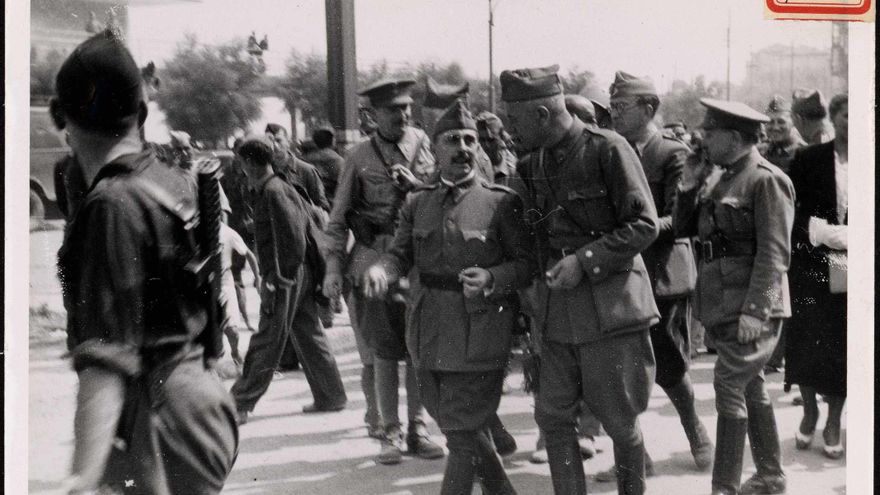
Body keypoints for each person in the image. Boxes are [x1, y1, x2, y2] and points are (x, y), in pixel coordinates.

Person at [53, 30, 238, 494]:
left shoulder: (109, 205)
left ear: (63, 120)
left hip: (159, 418)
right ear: (141, 113)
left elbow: (106, 362)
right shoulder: (173, 179)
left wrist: (82, 477)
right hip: (200, 403)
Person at [502, 64, 660, 495]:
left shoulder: (607, 149)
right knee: (553, 419)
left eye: (514, 120)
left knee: (620, 421)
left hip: (611, 313)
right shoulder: (530, 164)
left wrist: (584, 260)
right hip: (556, 317)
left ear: (540, 115)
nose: (508, 129)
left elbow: (645, 225)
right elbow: (533, 236)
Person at [364, 100, 534, 495]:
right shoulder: (417, 202)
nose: (463, 147)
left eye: (470, 140)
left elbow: (526, 265)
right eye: (453, 139)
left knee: (459, 437)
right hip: (427, 332)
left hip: (480, 332)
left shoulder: (500, 202)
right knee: (459, 427)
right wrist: (381, 269)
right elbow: (400, 254)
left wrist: (493, 275)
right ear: (434, 149)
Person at [675, 98, 794, 495]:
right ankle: (771, 476)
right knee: (751, 386)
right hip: (722, 301)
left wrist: (757, 311)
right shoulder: (719, 176)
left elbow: (775, 253)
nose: (703, 138)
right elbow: (682, 229)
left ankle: (723, 487)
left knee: (729, 385)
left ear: (735, 137)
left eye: (711, 132)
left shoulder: (766, 179)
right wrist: (689, 185)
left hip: (752, 306)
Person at [323, 78, 444, 465]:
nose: (402, 115)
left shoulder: (424, 144)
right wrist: (332, 268)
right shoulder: (358, 156)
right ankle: (388, 432)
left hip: (417, 260)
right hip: (374, 258)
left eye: (406, 108)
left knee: (419, 350)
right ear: (372, 115)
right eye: (393, 110)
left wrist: (419, 185)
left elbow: (444, 192)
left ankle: (418, 428)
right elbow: (338, 217)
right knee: (385, 352)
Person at [604, 71, 712, 477]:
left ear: (648, 108)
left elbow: (679, 219)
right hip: (620, 272)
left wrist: (632, 234)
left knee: (669, 361)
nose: (613, 113)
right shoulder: (611, 149)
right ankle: (635, 457)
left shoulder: (672, 153)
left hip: (662, 272)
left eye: (621, 107)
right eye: (611, 106)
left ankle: (696, 431)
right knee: (621, 369)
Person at [230, 134, 347, 424]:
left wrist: (277, 278)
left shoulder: (273, 192)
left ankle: (240, 403)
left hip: (286, 277)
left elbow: (293, 238)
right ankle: (331, 395)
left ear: (249, 162)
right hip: (298, 275)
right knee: (308, 332)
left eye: (241, 163)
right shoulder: (279, 186)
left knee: (268, 337)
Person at [785, 93, 848, 460]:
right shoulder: (810, 158)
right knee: (807, 335)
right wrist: (821, 232)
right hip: (812, 261)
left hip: (850, 263)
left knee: (841, 340)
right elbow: (793, 213)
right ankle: (809, 412)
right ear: (833, 118)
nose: (850, 122)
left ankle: (833, 419)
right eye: (844, 114)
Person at [759, 96, 807, 176]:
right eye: (770, 122)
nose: (775, 127)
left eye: (781, 122)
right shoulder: (762, 151)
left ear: (793, 122)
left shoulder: (804, 153)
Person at [302, 127, 345, 210]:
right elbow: (344, 184)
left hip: (308, 203)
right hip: (331, 204)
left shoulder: (305, 158)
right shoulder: (336, 159)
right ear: (332, 141)